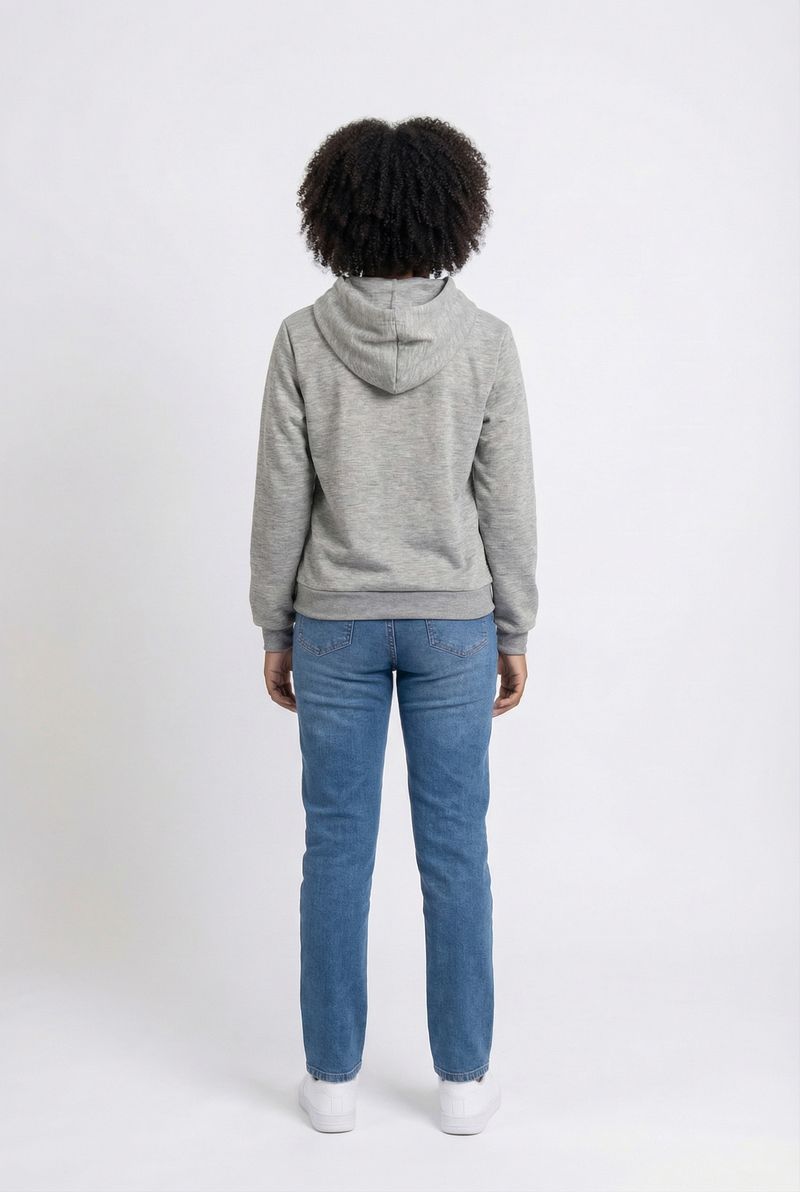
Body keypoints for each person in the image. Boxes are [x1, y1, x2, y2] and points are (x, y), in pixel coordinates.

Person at [249, 116, 538, 1135]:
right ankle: (462, 1085)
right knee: (455, 851)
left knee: (335, 850)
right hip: (454, 625)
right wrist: (514, 627)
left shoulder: (302, 339)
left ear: (332, 216)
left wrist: (274, 623)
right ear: (454, 213)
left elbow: (281, 498)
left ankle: (330, 1084)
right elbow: (506, 502)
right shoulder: (485, 342)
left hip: (332, 623)